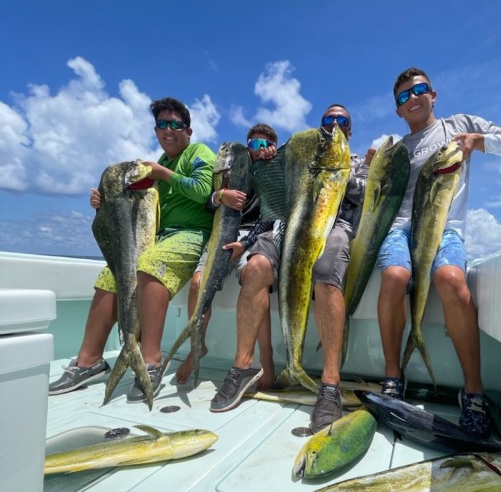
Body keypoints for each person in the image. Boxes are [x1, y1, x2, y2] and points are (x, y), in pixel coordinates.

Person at [376, 67, 501, 436]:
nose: (412, 99)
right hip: (400, 229)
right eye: (403, 97)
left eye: (419, 91)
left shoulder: (459, 126)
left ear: (433, 94)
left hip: (446, 229)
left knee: (450, 278)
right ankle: (392, 376)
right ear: (397, 111)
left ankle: (473, 391)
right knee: (395, 276)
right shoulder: (397, 150)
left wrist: (479, 142)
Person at [210, 105, 369, 434]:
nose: (335, 125)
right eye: (329, 121)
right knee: (254, 269)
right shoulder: (300, 159)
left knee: (325, 270)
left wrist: (339, 173)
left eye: (342, 121)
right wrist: (271, 163)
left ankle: (329, 383)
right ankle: (242, 367)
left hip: (334, 226)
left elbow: (369, 197)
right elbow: (270, 199)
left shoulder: (360, 163)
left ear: (350, 131)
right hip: (288, 226)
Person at [49, 97, 215, 403]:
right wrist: (103, 203)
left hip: (192, 235)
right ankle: (89, 361)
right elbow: (133, 203)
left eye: (175, 125)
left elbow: (203, 190)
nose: (168, 130)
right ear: (155, 130)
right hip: (158, 235)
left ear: (187, 131)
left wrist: (161, 174)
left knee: (149, 265)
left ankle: (150, 361)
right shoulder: (157, 166)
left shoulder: (197, 152)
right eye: (162, 125)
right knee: (111, 275)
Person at [175, 123, 279, 388]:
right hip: (222, 233)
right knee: (198, 285)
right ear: (247, 147)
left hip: (251, 237)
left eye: (267, 145)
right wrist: (222, 196)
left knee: (258, 276)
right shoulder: (229, 169)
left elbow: (270, 218)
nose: (261, 150)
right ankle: (196, 347)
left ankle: (266, 361)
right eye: (255, 144)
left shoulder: (273, 172)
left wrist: (245, 244)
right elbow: (209, 203)